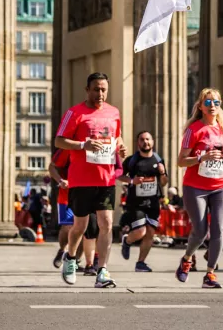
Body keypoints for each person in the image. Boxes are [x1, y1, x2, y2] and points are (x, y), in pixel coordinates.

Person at [54, 72, 128, 288]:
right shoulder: (74, 113)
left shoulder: (114, 112)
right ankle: (70, 258)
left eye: (104, 89)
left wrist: (120, 146)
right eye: (96, 89)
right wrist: (81, 145)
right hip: (81, 180)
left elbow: (117, 136)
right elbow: (59, 140)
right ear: (87, 90)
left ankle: (102, 270)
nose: (100, 93)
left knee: (106, 223)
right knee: (80, 225)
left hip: (105, 179)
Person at [174, 87, 223, 289]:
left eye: (216, 103)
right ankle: (187, 258)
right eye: (208, 102)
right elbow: (181, 161)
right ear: (200, 106)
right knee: (200, 231)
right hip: (196, 187)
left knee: (218, 229)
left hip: (221, 184)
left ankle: (210, 274)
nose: (213, 106)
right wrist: (202, 157)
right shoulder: (194, 130)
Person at [119, 131, 168, 272]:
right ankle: (127, 241)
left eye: (148, 139)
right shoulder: (132, 160)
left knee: (150, 233)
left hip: (153, 202)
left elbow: (164, 183)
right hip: (135, 202)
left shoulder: (158, 160)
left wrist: (163, 173)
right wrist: (131, 181)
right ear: (138, 143)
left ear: (152, 142)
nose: (145, 142)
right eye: (142, 140)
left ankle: (140, 263)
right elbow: (118, 175)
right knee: (140, 231)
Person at [48, 148, 100, 275]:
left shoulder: (96, 148)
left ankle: (76, 260)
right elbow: (52, 167)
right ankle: (62, 250)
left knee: (85, 230)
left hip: (87, 194)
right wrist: (60, 180)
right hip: (66, 196)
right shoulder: (67, 149)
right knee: (68, 227)